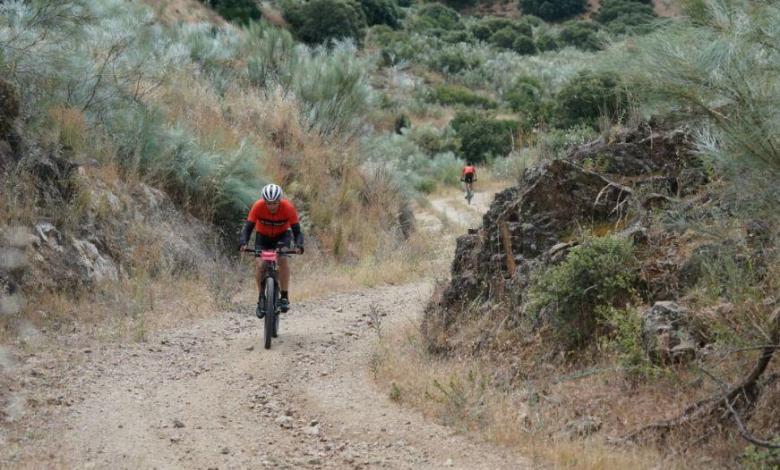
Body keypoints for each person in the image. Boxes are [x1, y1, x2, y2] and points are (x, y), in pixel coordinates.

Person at [239, 184, 304, 318]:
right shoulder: (258, 206)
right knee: (260, 264)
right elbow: (248, 227)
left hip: (282, 236)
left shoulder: (288, 208)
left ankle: (284, 296)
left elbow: (297, 231)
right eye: (269, 203)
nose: (271, 206)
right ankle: (261, 297)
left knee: (282, 259)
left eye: (275, 203)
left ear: (280, 201)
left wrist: (299, 245)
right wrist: (243, 242)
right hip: (262, 237)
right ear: (264, 201)